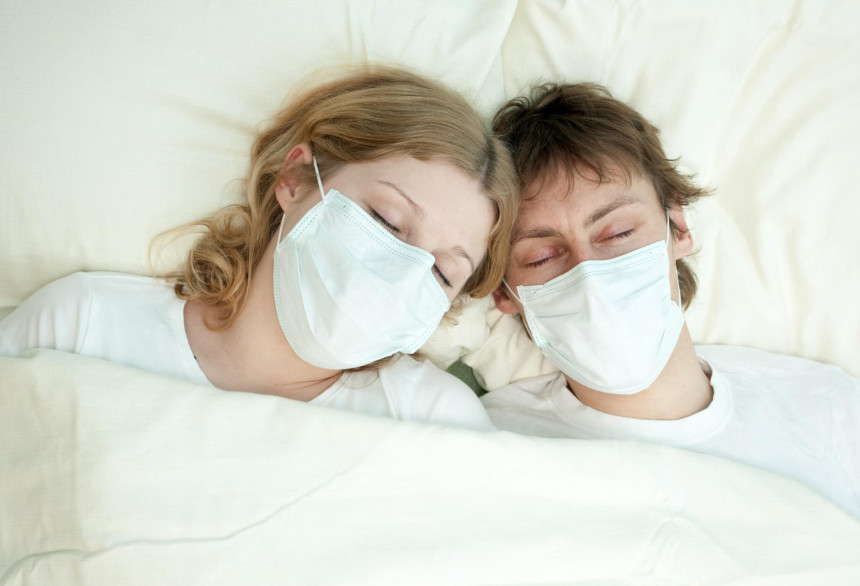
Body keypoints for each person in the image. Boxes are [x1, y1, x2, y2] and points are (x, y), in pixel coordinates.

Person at [0, 66, 518, 431]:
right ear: (295, 179)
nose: (402, 274)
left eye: (441, 274)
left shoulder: (437, 423)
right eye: (386, 220)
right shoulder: (83, 326)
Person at [480, 82, 860, 516]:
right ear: (503, 291)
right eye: (542, 257)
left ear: (677, 226)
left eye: (618, 232)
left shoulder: (829, 410)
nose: (589, 275)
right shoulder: (485, 444)